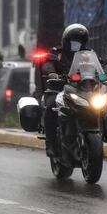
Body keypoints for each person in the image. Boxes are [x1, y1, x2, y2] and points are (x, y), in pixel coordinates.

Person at [40, 23, 89, 157]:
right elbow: (48, 63)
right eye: (74, 39)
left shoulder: (87, 54)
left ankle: (101, 133)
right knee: (51, 106)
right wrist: (51, 72)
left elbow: (99, 65)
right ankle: (50, 143)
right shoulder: (57, 52)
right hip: (59, 88)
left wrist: (106, 74)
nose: (76, 43)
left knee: (101, 105)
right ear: (66, 40)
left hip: (82, 90)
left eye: (80, 40)